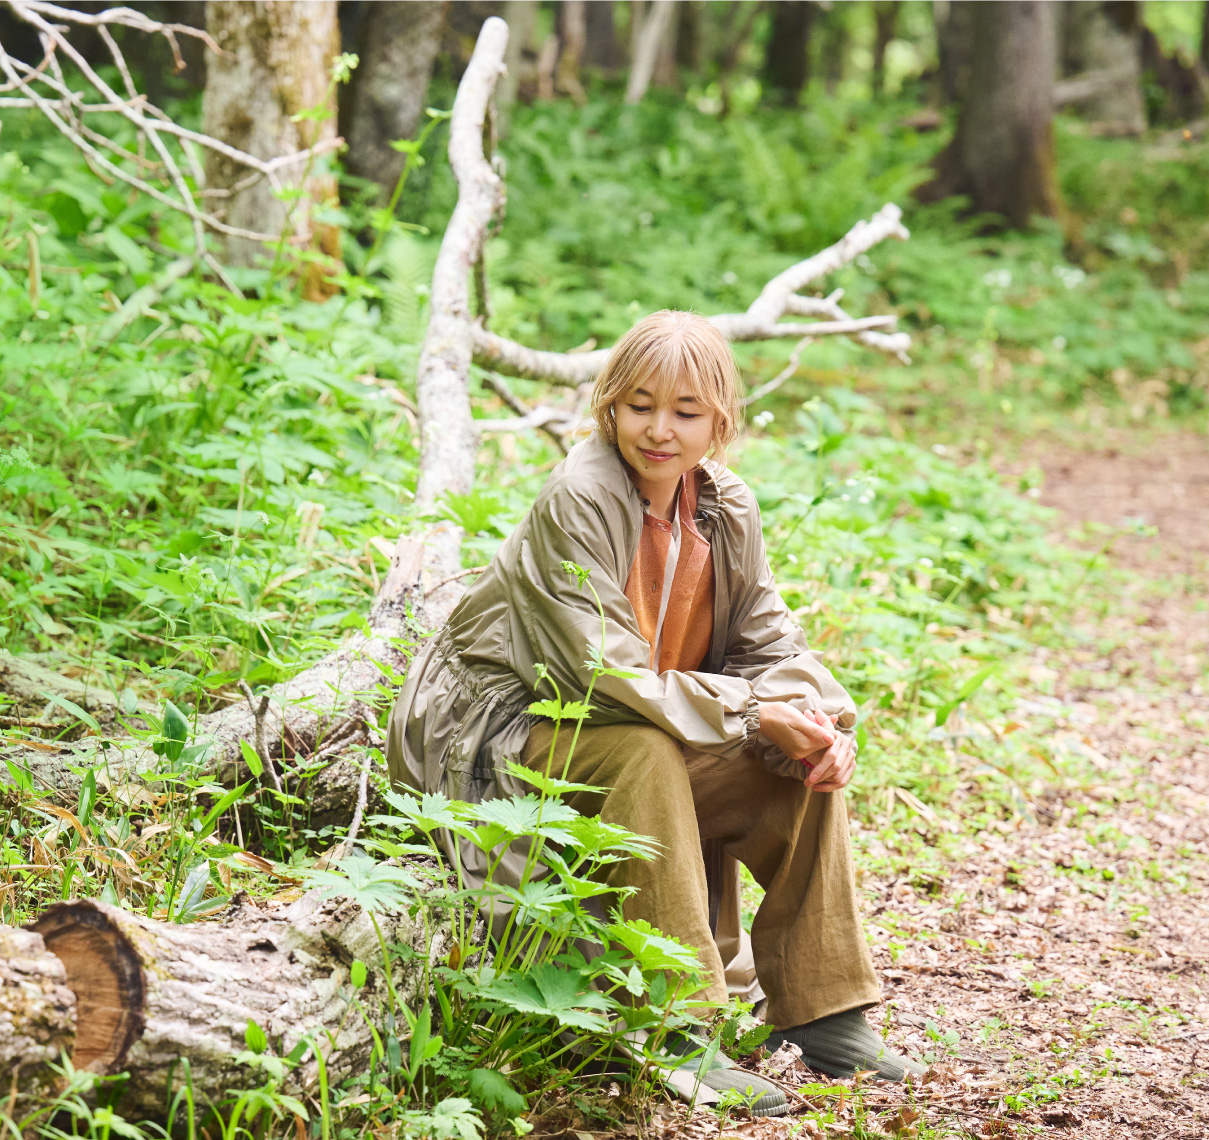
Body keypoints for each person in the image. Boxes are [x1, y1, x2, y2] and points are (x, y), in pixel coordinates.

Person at [386, 310, 921, 1116]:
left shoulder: (723, 507)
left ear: (721, 422)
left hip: (633, 719)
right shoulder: (580, 498)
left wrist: (820, 721)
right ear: (610, 406)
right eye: (640, 405)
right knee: (645, 750)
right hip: (491, 730)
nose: (660, 430)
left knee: (796, 757)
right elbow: (602, 677)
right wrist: (752, 713)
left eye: (685, 411)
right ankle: (678, 1024)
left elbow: (772, 646)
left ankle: (824, 1007)